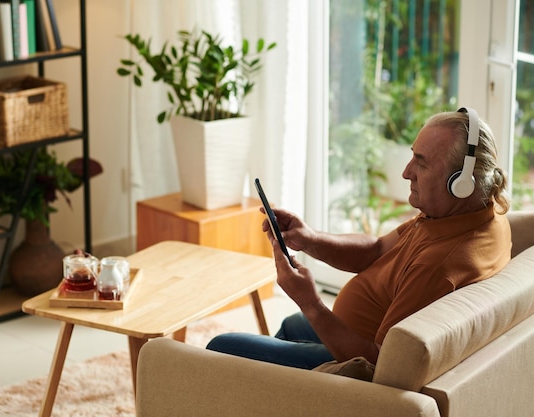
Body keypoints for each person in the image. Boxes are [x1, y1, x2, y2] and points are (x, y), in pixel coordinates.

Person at [206, 108, 512, 369]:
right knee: (290, 325)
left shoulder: (441, 264)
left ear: (460, 183)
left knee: (221, 346)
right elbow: (377, 249)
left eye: (422, 162)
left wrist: (311, 302)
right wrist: (310, 239)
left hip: (350, 357)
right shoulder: (467, 213)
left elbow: (379, 363)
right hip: (354, 330)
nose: (406, 173)